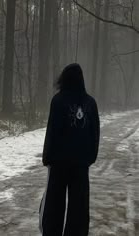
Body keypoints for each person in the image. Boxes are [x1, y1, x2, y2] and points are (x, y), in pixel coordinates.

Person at [39, 63, 100, 236]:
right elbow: (95, 133)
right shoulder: (91, 103)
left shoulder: (58, 101)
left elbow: (52, 131)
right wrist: (90, 158)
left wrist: (47, 157)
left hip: (58, 163)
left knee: (53, 205)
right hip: (81, 164)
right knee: (79, 208)